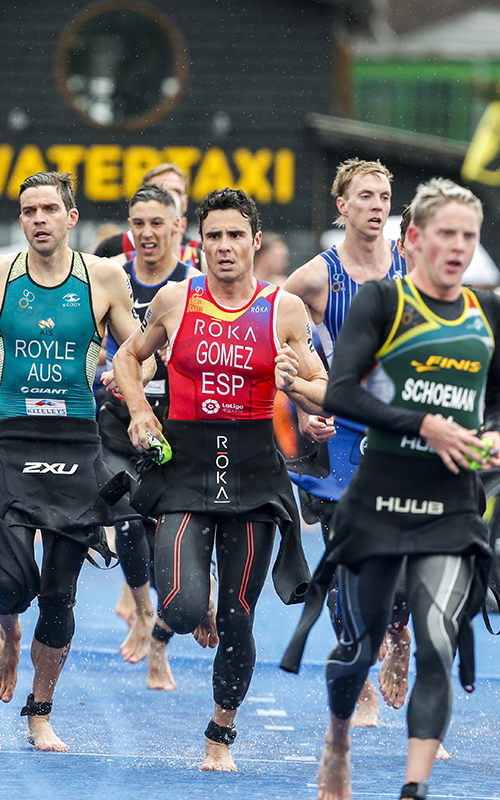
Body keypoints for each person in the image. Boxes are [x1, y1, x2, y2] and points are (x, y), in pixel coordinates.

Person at [284, 177, 500, 800]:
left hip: (449, 500)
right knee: (356, 641)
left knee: (440, 637)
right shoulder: (378, 305)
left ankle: (413, 787)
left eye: (469, 235)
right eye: (446, 233)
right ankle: (338, 737)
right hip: (376, 490)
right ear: (414, 238)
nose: (459, 247)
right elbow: (343, 391)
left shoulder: (488, 312)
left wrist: (495, 435)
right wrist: (422, 423)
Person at [112, 188, 325, 771]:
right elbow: (127, 359)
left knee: (238, 616)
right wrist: (139, 410)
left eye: (236, 235)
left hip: (255, 473)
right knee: (181, 608)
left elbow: (324, 389)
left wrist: (303, 395)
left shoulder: (283, 309)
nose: (225, 247)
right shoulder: (177, 299)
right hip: (186, 466)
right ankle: (193, 593)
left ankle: (219, 735)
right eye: (214, 236)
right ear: (197, 243)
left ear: (255, 241)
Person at [0, 170, 145, 752]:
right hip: (13, 444)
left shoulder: (103, 278)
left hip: (77, 447)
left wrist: (129, 383)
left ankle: (40, 712)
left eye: (50, 209)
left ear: (71, 217)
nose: (38, 219)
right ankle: (7, 634)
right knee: (12, 583)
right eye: (29, 210)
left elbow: (141, 349)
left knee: (59, 595)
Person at [282, 158, 409, 725]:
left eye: (385, 196)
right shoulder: (314, 277)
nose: (377, 205)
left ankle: (399, 629)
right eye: (365, 196)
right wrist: (303, 411)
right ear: (343, 205)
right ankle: (356, 672)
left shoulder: (415, 263)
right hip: (341, 433)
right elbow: (271, 336)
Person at [95, 185, 197, 687]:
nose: (147, 233)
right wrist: (102, 365)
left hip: (177, 424)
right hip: (118, 421)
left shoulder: (196, 284)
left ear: (178, 225)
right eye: (139, 223)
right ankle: (140, 610)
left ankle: (159, 636)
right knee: (126, 515)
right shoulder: (110, 272)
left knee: (172, 549)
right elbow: (90, 336)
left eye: (158, 222)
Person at [94, 163, 202, 271]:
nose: (167, 196)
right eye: (157, 190)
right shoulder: (113, 249)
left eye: (176, 192)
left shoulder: (200, 255)